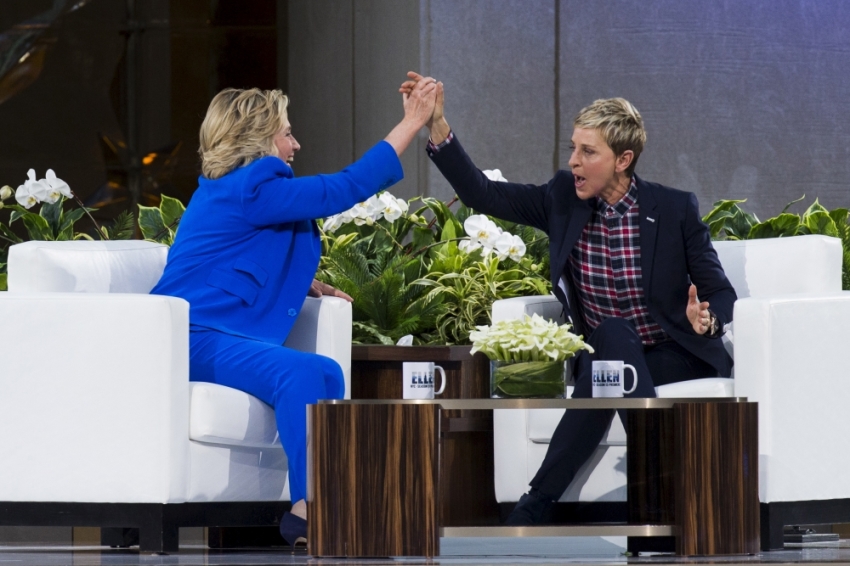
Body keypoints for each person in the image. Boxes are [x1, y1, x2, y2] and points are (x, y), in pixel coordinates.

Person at [401, 72, 736, 525]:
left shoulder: (673, 209)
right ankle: (653, 501)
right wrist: (437, 126)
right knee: (611, 346)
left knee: (608, 363)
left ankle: (535, 506)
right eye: (573, 149)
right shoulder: (563, 198)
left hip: (674, 353)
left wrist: (706, 320)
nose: (574, 162)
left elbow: (719, 292)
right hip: (605, 356)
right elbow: (482, 193)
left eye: (588, 152)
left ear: (624, 159)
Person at [151, 79, 438, 545]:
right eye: (287, 133)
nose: (296, 144)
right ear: (260, 140)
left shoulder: (237, 190)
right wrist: (411, 123)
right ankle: (313, 508)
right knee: (300, 373)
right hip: (192, 337)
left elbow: (232, 254)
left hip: (213, 334)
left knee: (326, 372)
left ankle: (333, 500)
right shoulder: (254, 184)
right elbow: (343, 188)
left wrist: (308, 283)